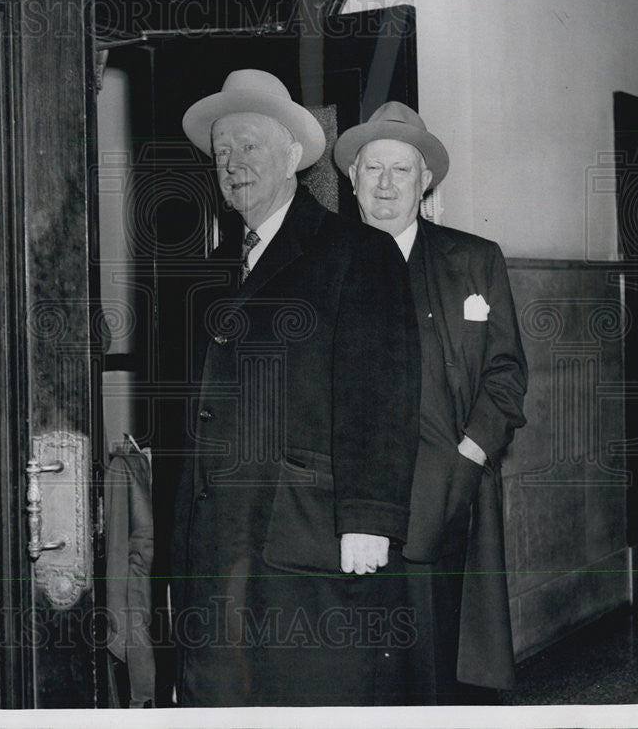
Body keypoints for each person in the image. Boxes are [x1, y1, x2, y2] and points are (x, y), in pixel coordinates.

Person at [170, 69, 421, 707]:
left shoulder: (357, 252)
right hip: (217, 540)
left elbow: (380, 397)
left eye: (249, 146)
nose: (232, 164)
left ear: (291, 156)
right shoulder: (209, 268)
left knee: (307, 694)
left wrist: (368, 518)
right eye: (222, 153)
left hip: (302, 536)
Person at [334, 101, 528, 704]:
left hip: (445, 495)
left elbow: (505, 373)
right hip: (342, 506)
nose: (386, 184)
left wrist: (468, 458)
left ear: (425, 183)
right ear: (353, 180)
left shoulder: (474, 260)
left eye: (401, 170)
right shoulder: (324, 264)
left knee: (436, 670)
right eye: (373, 170)